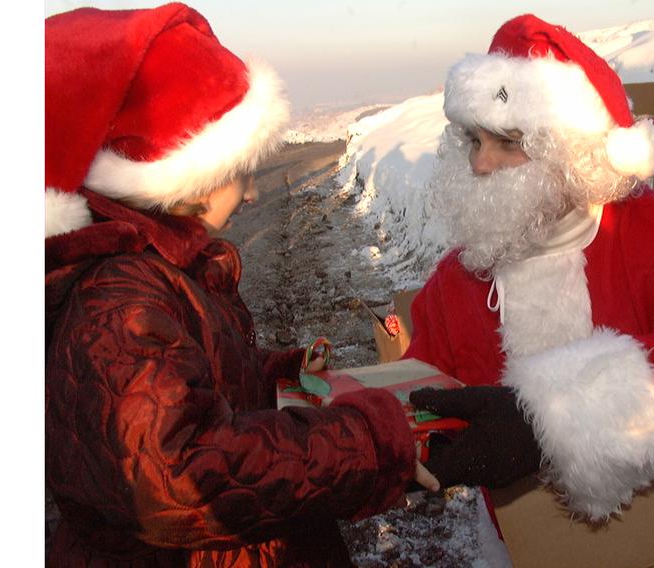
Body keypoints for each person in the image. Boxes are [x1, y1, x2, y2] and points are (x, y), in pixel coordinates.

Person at [45, 4, 436, 566]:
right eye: (243, 173)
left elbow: (180, 381)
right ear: (192, 175)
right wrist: (367, 446)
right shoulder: (117, 296)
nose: (253, 195)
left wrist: (274, 374)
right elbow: (179, 473)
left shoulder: (158, 267)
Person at [405, 13, 654, 522]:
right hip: (531, 544)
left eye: (509, 142)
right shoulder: (457, 279)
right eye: (473, 140)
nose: (480, 165)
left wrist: (548, 423)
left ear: (570, 151)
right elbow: (421, 388)